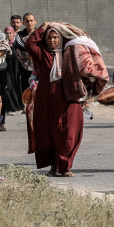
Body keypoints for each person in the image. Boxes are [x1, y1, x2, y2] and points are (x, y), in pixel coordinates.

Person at [25, 22, 84, 177]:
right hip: (47, 99)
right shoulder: (41, 53)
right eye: (49, 37)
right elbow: (29, 43)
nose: (52, 40)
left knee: (69, 132)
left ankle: (65, 166)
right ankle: (53, 166)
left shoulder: (69, 52)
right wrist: (43, 27)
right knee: (49, 133)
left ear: (61, 39)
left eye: (55, 37)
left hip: (68, 98)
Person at [2, 26, 24, 120]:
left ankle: (19, 106)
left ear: (13, 33)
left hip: (16, 70)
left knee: (17, 87)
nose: (9, 35)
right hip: (6, 70)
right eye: (7, 33)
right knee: (9, 87)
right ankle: (11, 108)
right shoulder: (3, 44)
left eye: (10, 33)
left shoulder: (16, 44)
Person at [15, 13, 38, 101]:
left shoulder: (40, 34)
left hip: (38, 69)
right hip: (25, 69)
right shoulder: (19, 35)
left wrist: (32, 53)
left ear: (35, 22)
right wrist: (33, 51)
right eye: (27, 21)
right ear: (23, 23)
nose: (29, 23)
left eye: (31, 21)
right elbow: (20, 45)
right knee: (26, 92)